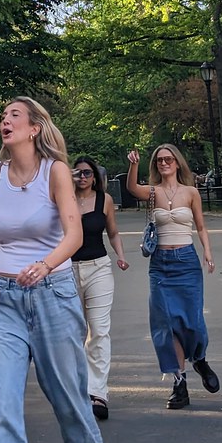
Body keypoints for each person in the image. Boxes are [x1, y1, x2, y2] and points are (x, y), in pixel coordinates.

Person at [0, 97, 119, 443]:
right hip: (3, 301)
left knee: (71, 404)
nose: (5, 122)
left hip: (51, 295)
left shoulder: (55, 171)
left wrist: (45, 264)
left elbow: (73, 235)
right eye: (2, 117)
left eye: (14, 116)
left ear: (35, 127)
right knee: (4, 410)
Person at [127, 145, 219, 410]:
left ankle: (199, 359)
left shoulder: (191, 193)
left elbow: (200, 225)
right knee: (166, 324)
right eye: (159, 160)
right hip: (160, 265)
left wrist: (208, 253)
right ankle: (179, 384)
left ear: (178, 163)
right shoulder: (153, 192)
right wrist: (134, 164)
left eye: (168, 159)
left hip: (187, 262)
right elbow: (133, 189)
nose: (164, 163)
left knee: (193, 322)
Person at [71, 156, 129, 421]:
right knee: (73, 332)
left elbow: (113, 232)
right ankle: (77, 388)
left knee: (98, 330)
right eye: (78, 173)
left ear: (95, 177)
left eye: (88, 173)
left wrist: (121, 255)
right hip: (67, 270)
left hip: (98, 268)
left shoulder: (103, 200)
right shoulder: (63, 198)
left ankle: (98, 394)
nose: (83, 178)